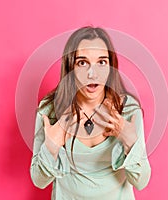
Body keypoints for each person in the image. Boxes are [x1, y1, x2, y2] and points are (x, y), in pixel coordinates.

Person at [30, 26, 151, 200]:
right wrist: (51, 147)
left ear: (111, 67)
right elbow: (39, 181)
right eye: (82, 62)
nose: (92, 73)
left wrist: (130, 141)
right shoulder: (49, 111)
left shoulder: (128, 110)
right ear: (70, 67)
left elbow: (141, 181)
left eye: (101, 62)